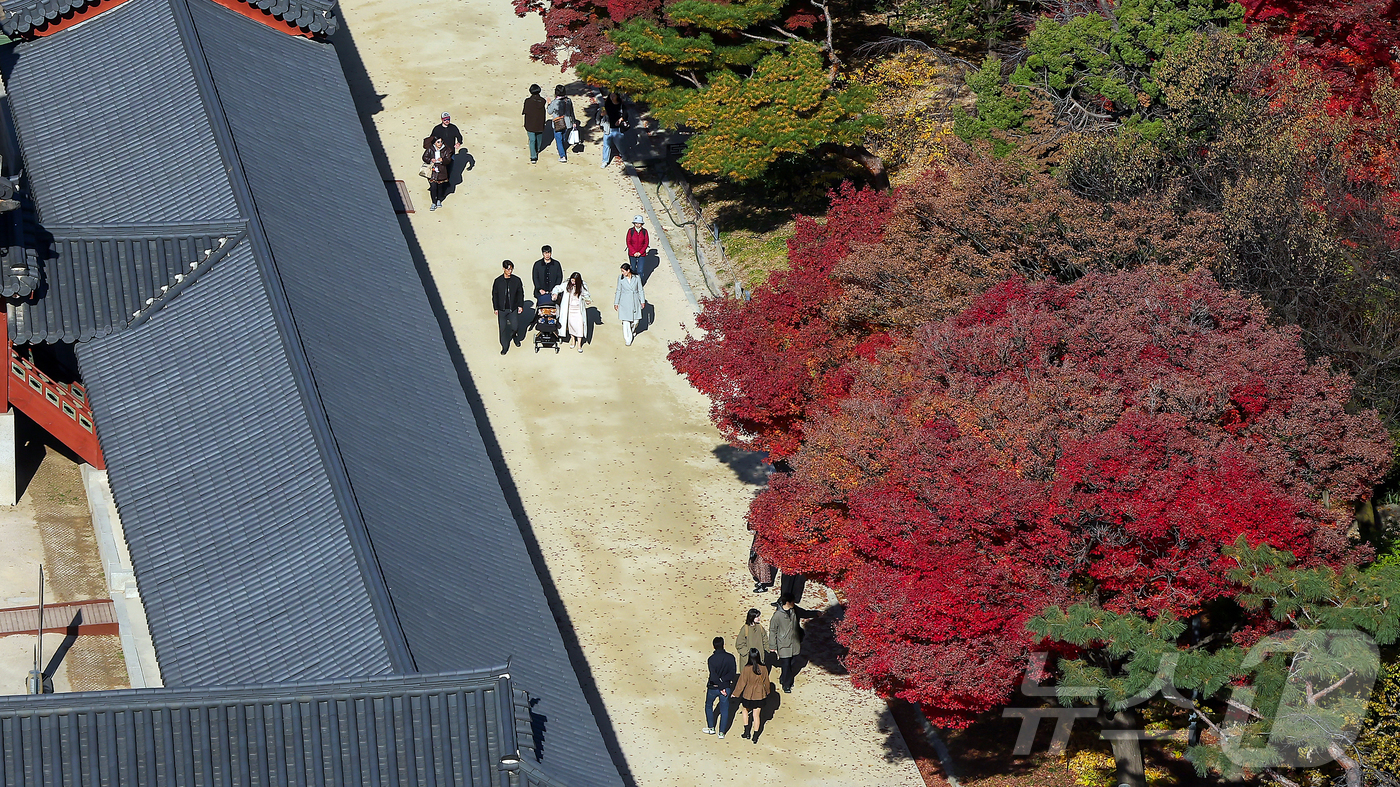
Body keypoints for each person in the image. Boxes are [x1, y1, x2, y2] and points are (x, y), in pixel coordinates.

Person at [769, 594, 819, 693]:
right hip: (783, 644)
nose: (794, 603)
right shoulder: (777, 615)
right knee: (786, 664)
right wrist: (772, 646)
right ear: (787, 602)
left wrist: (816, 613)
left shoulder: (794, 610)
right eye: (792, 601)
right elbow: (772, 630)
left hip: (795, 642)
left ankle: (784, 677)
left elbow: (805, 613)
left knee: (792, 662)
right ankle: (786, 684)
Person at [731, 648, 771, 743]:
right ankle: (755, 736)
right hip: (760, 694)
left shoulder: (747, 668)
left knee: (745, 710)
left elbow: (742, 682)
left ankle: (746, 732)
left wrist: (735, 693)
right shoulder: (763, 668)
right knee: (756, 715)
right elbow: (766, 682)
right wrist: (767, 691)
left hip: (748, 694)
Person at [703, 636, 736, 739]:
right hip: (726, 687)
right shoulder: (730, 658)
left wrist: (720, 686)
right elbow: (732, 673)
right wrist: (723, 685)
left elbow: (713, 676)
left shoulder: (711, 659)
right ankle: (721, 732)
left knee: (709, 705)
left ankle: (711, 728)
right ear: (723, 645)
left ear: (713, 646)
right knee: (724, 709)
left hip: (713, 688)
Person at [552, 272, 590, 352]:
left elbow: (586, 295)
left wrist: (587, 300)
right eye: (572, 280)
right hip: (569, 309)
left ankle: (579, 344)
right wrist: (555, 293)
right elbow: (558, 288)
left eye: (574, 281)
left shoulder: (582, 285)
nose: (572, 282)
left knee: (580, 326)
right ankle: (573, 340)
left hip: (578, 309)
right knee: (571, 325)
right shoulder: (567, 284)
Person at [492, 261, 525, 354]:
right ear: (503, 268)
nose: (510, 271)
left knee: (515, 326)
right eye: (508, 269)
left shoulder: (516, 280)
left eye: (511, 269)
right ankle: (504, 346)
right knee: (502, 329)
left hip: (512, 309)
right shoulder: (498, 281)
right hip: (502, 309)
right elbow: (495, 295)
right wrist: (495, 308)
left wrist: (520, 305)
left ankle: (514, 335)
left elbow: (520, 294)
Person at [614, 263, 646, 346]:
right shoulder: (620, 278)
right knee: (626, 322)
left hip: (635, 301)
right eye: (622, 271)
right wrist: (616, 302)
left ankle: (632, 331)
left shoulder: (637, 278)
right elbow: (618, 290)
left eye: (623, 271)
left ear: (628, 270)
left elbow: (640, 290)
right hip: (624, 302)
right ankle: (628, 339)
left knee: (635, 321)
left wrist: (642, 301)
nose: (622, 273)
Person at [547, 85, 577, 163]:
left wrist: (549, 104)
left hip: (558, 123)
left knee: (558, 139)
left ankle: (562, 155)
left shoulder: (554, 102)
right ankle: (562, 149)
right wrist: (574, 122)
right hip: (567, 122)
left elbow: (549, 111)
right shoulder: (568, 101)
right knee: (563, 137)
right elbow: (571, 112)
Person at [422, 136, 453, 211]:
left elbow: (448, 160)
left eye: (441, 142)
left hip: (442, 170)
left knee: (440, 187)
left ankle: (439, 199)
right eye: (438, 142)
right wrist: (430, 160)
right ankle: (433, 202)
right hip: (432, 170)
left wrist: (443, 160)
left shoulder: (446, 150)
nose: (440, 143)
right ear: (435, 143)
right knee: (433, 187)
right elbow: (424, 157)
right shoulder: (430, 149)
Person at [522, 85, 548, 164]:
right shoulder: (542, 101)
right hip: (540, 123)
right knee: (539, 137)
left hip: (530, 123)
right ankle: (538, 149)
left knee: (532, 139)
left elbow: (525, 111)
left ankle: (533, 156)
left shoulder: (528, 101)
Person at [601, 92, 627, 168]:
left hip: (617, 129)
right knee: (606, 145)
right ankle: (605, 161)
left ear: (617, 96)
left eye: (614, 95)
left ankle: (623, 155)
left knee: (620, 145)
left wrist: (620, 119)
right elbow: (602, 114)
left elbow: (625, 115)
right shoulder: (607, 104)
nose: (612, 97)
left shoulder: (621, 105)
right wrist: (603, 114)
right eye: (611, 95)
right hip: (608, 128)